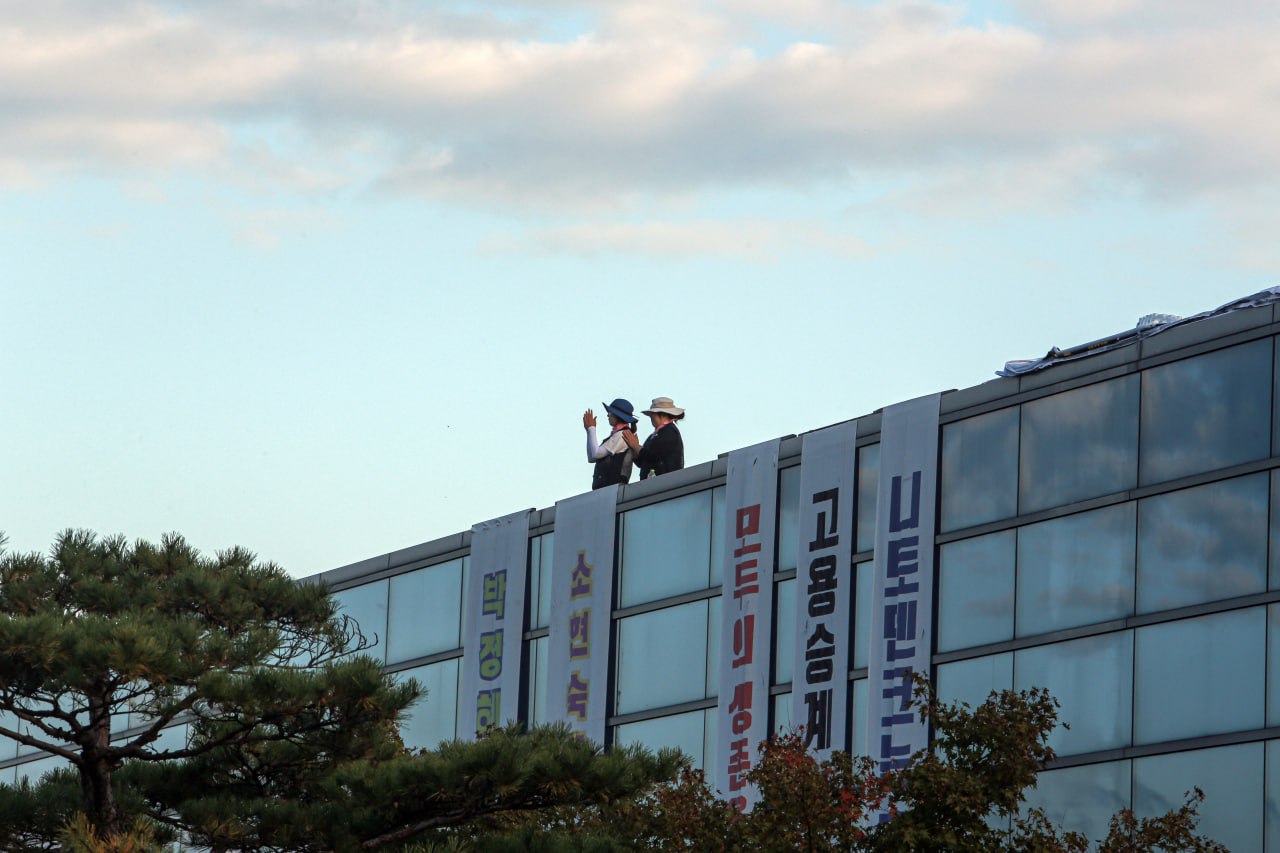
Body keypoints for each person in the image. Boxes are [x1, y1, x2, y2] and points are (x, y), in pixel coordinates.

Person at [623, 397, 685, 480]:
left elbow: (654, 455)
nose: (651, 418)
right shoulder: (654, 435)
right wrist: (634, 449)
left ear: (663, 415)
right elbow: (643, 462)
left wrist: (637, 447)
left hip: (666, 483)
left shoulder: (669, 431)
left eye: (653, 415)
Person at [583, 398, 638, 490]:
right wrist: (589, 430)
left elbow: (596, 453)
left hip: (612, 488)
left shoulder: (622, 435)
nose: (608, 414)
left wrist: (591, 428)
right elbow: (592, 457)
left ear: (617, 416)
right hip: (609, 488)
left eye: (610, 412)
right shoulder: (617, 435)